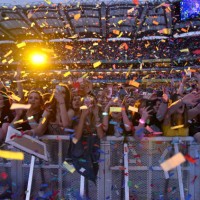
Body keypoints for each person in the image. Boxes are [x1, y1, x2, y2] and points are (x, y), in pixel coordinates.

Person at [68, 94, 105, 182]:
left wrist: (96, 116)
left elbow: (101, 135)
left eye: (91, 104)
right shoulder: (76, 118)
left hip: (93, 156)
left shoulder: (97, 118)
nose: (88, 106)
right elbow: (76, 137)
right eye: (85, 104)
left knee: (93, 177)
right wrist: (83, 117)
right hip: (79, 155)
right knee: (79, 178)